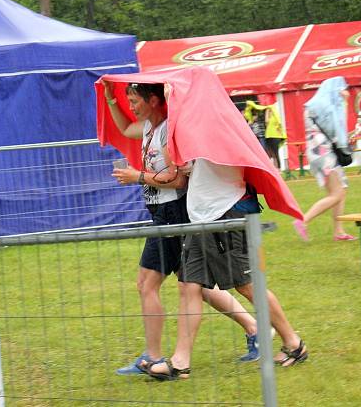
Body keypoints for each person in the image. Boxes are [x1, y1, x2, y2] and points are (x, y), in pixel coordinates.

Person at [102, 81, 264, 375]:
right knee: (195, 286)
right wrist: (111, 100)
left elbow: (178, 180)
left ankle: (152, 357)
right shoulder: (149, 127)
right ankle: (255, 329)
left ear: (153, 100)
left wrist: (138, 177)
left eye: (135, 100)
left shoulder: (167, 129)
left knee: (149, 284)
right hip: (163, 213)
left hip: (173, 212)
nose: (132, 106)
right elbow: (126, 129)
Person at [146, 158, 308, 380]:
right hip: (200, 217)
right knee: (189, 286)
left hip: (225, 213)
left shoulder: (219, 125)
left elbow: (224, 158)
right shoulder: (193, 127)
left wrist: (190, 164)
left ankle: (293, 342)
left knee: (247, 285)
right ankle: (180, 363)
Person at [292, 76, 354, 241]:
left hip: (317, 152)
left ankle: (339, 231)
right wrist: (345, 103)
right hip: (324, 153)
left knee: (340, 190)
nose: (344, 91)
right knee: (337, 193)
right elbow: (338, 127)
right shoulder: (327, 107)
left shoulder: (313, 104)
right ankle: (303, 221)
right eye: (342, 88)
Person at [247, 100, 287, 169]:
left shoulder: (275, 117)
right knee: (271, 153)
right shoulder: (268, 117)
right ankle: (273, 167)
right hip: (268, 136)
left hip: (274, 136)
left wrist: (268, 111)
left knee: (275, 153)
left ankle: (278, 168)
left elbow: (268, 122)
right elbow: (266, 121)